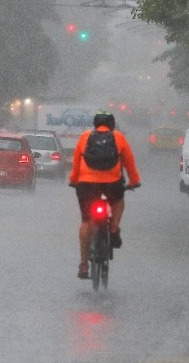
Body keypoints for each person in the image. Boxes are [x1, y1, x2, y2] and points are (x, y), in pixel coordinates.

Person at [69, 111, 141, 279]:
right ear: (112, 124)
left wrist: (73, 180)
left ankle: (84, 264)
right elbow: (129, 162)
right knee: (118, 201)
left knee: (86, 221)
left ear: (95, 124)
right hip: (111, 183)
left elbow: (76, 163)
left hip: (87, 185)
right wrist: (134, 181)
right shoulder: (119, 138)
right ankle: (114, 227)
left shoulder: (85, 137)